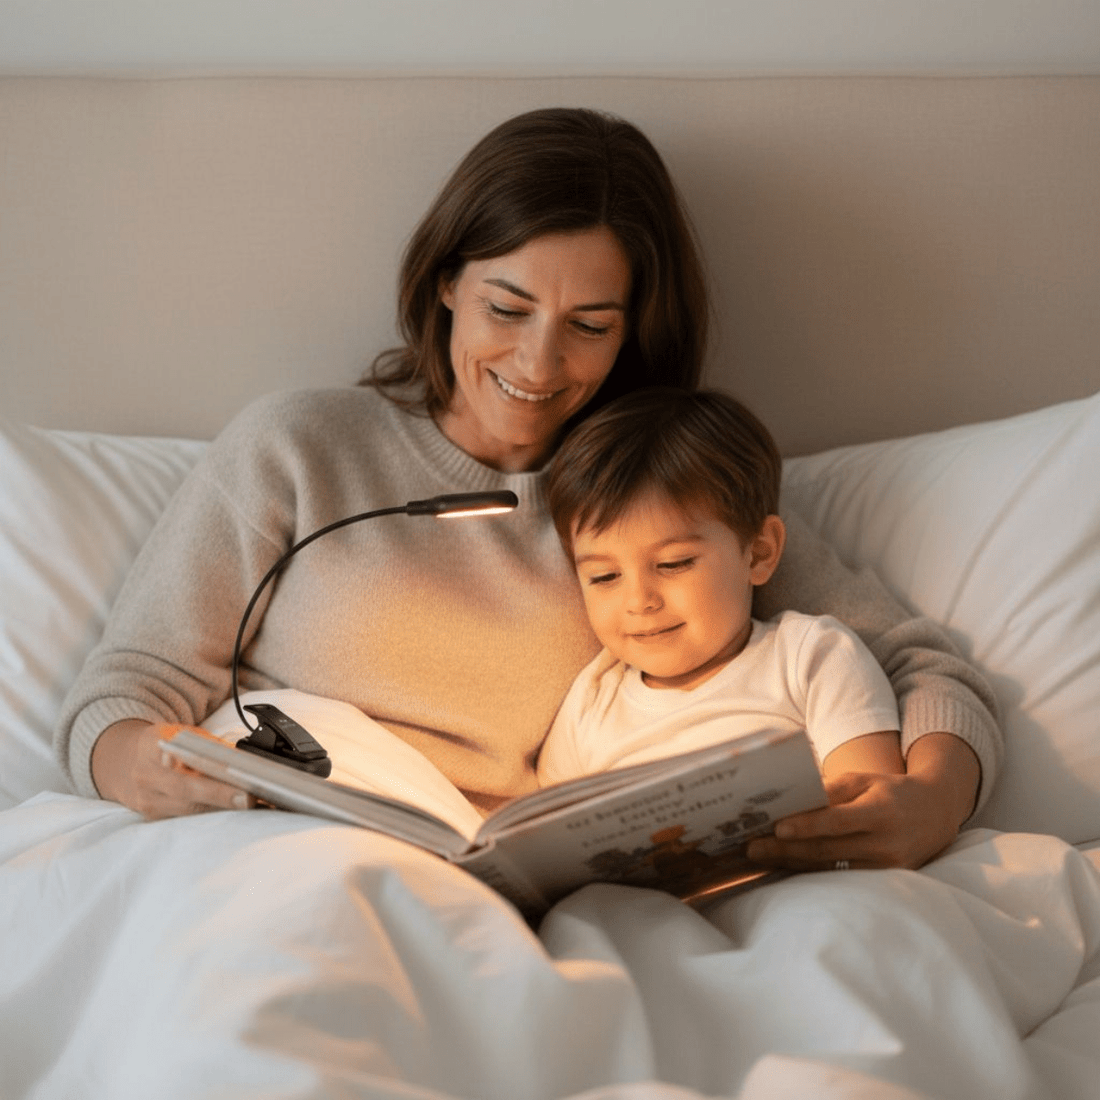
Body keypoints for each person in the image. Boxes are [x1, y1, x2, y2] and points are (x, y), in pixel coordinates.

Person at [54, 106, 1000, 871]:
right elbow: (125, 691)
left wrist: (934, 798)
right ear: (444, 285)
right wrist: (144, 767)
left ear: (633, 330)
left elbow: (918, 666)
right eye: (508, 308)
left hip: (499, 887)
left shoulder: (652, 489)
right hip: (280, 850)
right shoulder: (297, 446)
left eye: (590, 325)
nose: (539, 363)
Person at [538, 388, 904, 800]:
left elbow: (873, 810)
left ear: (759, 553)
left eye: (673, 564)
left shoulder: (811, 659)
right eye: (605, 576)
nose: (639, 600)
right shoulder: (590, 705)